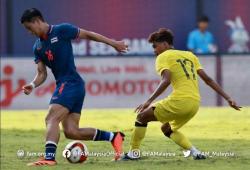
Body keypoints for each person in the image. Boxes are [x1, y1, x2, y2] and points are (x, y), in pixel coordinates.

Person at [20, 8, 128, 166]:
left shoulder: (61, 30)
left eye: (29, 27)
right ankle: (114, 137)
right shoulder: (37, 47)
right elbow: (42, 73)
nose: (29, 32)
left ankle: (49, 158)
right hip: (69, 85)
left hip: (70, 83)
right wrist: (32, 84)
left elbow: (89, 34)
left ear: (37, 20)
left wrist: (113, 43)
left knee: (51, 118)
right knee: (71, 131)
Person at [122, 28, 241, 160]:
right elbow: (208, 80)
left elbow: (166, 80)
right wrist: (228, 98)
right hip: (194, 104)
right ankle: (195, 152)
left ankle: (133, 153)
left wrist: (149, 100)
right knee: (166, 129)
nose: (154, 50)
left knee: (141, 117)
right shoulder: (190, 55)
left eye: (155, 46)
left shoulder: (163, 56)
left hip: (180, 101)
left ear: (165, 44)